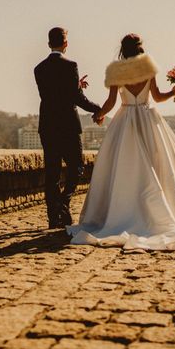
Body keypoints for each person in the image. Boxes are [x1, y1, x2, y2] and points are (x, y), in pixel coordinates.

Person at [67, 34, 175, 250]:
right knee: (156, 167)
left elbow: (111, 102)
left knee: (123, 168)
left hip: (124, 120)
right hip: (148, 119)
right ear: (140, 49)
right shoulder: (148, 68)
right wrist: (173, 91)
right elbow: (156, 96)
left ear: (123, 50)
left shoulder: (116, 71)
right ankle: (154, 212)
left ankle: (123, 210)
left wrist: (99, 115)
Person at [34, 27, 101, 229]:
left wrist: (76, 85)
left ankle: (54, 217)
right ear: (66, 44)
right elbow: (74, 97)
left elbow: (51, 93)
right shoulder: (71, 65)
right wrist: (97, 108)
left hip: (48, 125)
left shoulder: (39, 68)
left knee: (52, 172)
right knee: (77, 167)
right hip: (68, 126)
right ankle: (64, 202)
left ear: (48, 44)